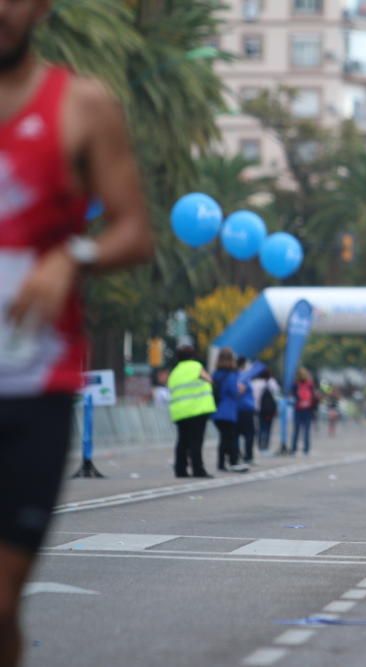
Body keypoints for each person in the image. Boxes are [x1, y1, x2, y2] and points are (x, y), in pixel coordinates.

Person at [0, 2, 155, 662]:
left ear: (42, 7)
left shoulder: (82, 105)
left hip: (33, 385)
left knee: (0, 602)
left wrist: (74, 256)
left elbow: (134, 230)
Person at [167, 346, 215, 478]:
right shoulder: (196, 366)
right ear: (192, 356)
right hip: (197, 409)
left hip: (180, 412)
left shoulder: (174, 372)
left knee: (182, 441)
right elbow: (209, 380)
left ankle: (180, 469)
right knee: (196, 441)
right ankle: (198, 469)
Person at [212, 348, 246, 473]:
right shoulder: (231, 374)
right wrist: (240, 390)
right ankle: (233, 462)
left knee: (223, 438)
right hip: (228, 411)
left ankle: (221, 463)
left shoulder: (216, 374)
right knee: (230, 438)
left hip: (217, 411)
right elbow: (233, 391)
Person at [251, 367, 280, 453]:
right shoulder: (272, 382)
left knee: (260, 427)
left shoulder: (256, 383)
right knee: (268, 428)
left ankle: (260, 444)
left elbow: (254, 396)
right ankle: (266, 445)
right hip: (270, 410)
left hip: (259, 409)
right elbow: (277, 395)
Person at [290, 367, 317, 455]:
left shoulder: (295, 384)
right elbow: (313, 397)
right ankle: (306, 449)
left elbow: (293, 396)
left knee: (296, 430)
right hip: (307, 409)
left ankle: (294, 449)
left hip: (298, 408)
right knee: (306, 430)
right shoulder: (310, 384)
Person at [235, 357, 257, 465]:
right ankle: (248, 456)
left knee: (237, 433)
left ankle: (237, 454)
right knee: (249, 434)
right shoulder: (244, 376)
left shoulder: (233, 375)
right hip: (246, 408)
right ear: (243, 364)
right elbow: (241, 390)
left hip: (236, 408)